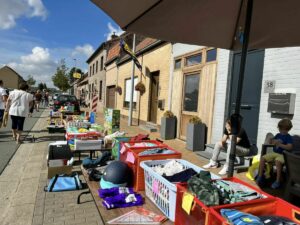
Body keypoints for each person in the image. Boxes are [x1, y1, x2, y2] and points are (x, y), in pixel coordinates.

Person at [256, 118, 293, 189]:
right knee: (263, 158)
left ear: (287, 129)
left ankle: (277, 180)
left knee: (277, 161)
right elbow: (272, 142)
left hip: (283, 155)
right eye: (279, 129)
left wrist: (280, 145)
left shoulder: (288, 137)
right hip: (275, 153)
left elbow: (290, 147)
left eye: (282, 129)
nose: (280, 130)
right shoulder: (278, 135)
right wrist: (271, 140)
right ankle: (260, 176)